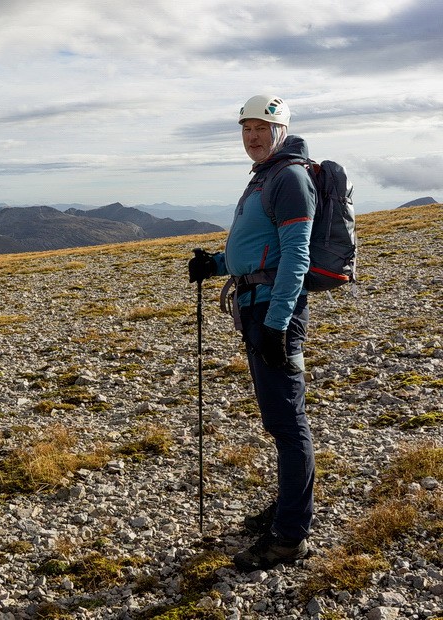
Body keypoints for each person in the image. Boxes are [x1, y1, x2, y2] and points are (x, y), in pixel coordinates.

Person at [187, 94, 317, 570]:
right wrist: (217, 264)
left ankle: (290, 536)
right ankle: (288, 510)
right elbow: (262, 250)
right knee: (280, 422)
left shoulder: (289, 178)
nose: (253, 136)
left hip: (273, 312)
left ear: (281, 130)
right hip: (257, 306)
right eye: (246, 129)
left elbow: (296, 258)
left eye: (262, 128)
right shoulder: (268, 177)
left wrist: (278, 326)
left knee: (287, 423)